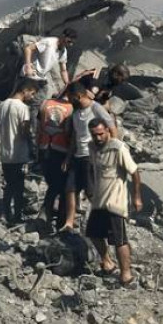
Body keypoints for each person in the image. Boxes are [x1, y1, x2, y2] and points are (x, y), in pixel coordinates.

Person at [86, 118, 142, 285]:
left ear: (107, 131)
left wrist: (137, 197)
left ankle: (126, 275)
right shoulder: (92, 147)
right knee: (93, 234)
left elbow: (134, 172)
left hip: (115, 203)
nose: (98, 138)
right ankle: (108, 263)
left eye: (100, 134)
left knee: (119, 240)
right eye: (94, 135)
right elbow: (91, 168)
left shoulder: (118, 148)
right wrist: (90, 190)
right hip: (99, 202)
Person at [61, 81, 117, 232]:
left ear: (78, 95)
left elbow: (112, 128)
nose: (69, 100)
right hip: (77, 156)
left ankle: (107, 221)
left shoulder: (95, 108)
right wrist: (68, 158)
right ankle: (69, 222)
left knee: (91, 192)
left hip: (91, 156)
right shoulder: (76, 112)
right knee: (70, 189)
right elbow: (75, 137)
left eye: (70, 97)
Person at [0, 79, 39, 224]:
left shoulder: (3, 105)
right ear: (25, 90)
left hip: (5, 154)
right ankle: (17, 217)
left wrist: (6, 131)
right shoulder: (23, 108)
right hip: (19, 154)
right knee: (18, 187)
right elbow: (25, 131)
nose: (32, 97)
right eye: (32, 93)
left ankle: (6, 214)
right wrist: (32, 148)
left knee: (9, 184)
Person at [37, 91, 74, 227]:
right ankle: (55, 218)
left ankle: (47, 213)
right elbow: (70, 132)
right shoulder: (71, 108)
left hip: (44, 147)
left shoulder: (45, 103)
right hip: (61, 150)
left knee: (52, 182)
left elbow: (38, 127)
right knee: (60, 185)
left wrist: (37, 148)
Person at [21, 28, 77, 98]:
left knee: (42, 96)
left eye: (72, 43)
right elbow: (28, 48)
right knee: (24, 95)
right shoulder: (49, 42)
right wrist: (28, 67)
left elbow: (63, 70)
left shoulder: (63, 52)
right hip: (31, 73)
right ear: (63, 36)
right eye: (69, 41)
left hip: (41, 77)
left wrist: (67, 84)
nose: (70, 44)